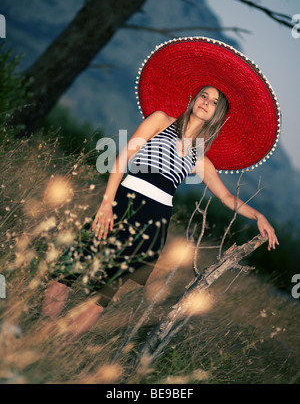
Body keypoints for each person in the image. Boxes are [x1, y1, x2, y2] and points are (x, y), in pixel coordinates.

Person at [41, 37, 280, 336]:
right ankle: (41, 334)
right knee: (64, 272)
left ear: (217, 114)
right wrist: (106, 203)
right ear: (195, 98)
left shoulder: (201, 159)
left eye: (214, 102)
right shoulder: (159, 121)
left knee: (102, 298)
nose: (206, 102)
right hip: (122, 204)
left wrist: (258, 216)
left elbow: (226, 196)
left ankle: (55, 349)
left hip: (152, 225)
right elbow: (123, 158)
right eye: (204, 95)